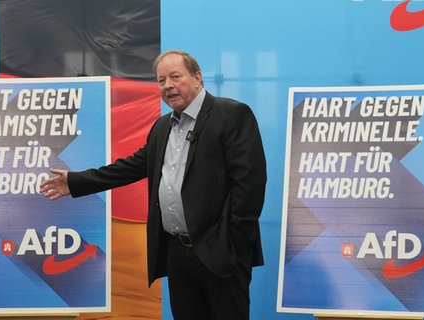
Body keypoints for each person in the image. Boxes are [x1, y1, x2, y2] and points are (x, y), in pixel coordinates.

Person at [39, 49, 267, 320]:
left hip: (221, 251)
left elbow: (250, 183)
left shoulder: (231, 114)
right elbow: (131, 167)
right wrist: (75, 182)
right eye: (161, 80)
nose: (168, 86)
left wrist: (234, 240)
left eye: (175, 77)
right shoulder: (162, 127)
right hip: (177, 253)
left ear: (197, 77)